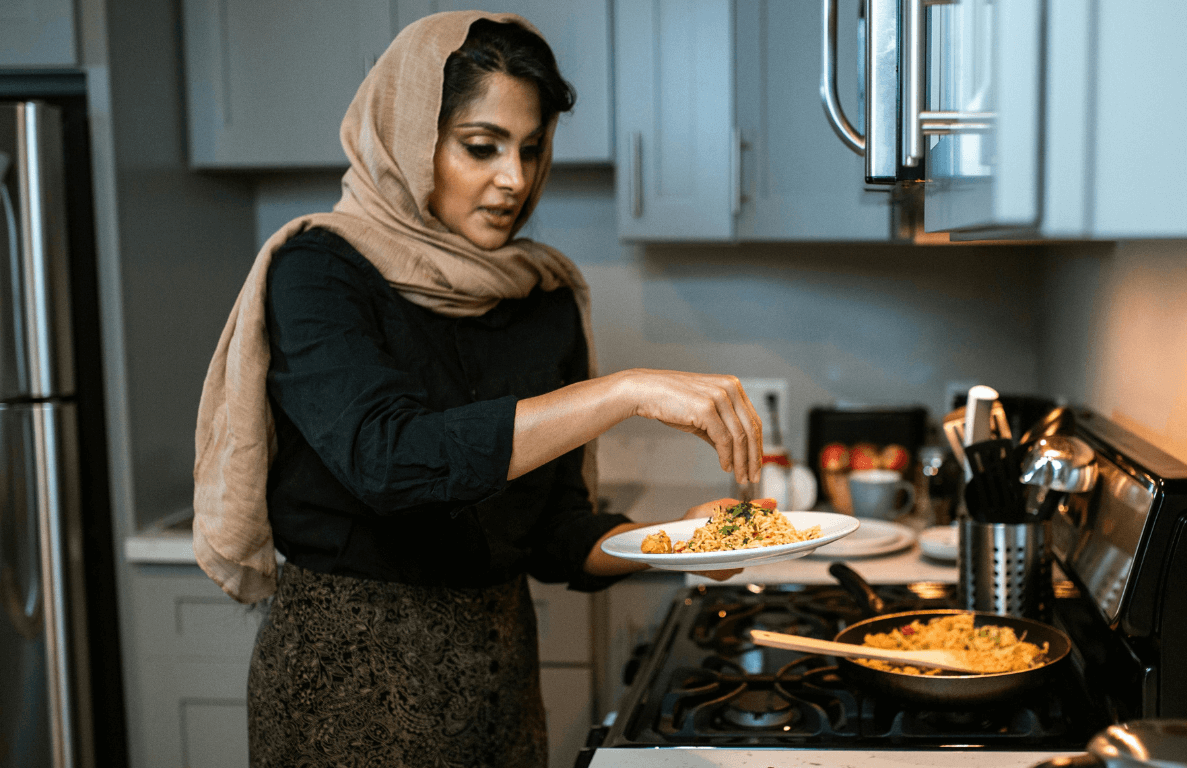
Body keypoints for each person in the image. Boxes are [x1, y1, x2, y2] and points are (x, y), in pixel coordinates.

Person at [190, 11, 764, 767]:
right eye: (480, 147)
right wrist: (624, 392)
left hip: (498, 683)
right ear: (407, 134)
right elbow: (390, 461)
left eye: (530, 150)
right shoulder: (321, 271)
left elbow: (556, 531)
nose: (515, 181)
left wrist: (679, 543)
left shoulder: (543, 297)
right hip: (345, 691)